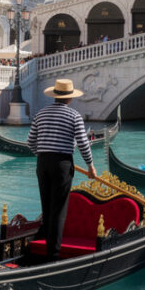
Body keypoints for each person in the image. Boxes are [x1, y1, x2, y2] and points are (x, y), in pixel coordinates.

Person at [26, 78, 97, 262]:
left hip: (42, 163)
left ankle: (48, 249)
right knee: (58, 210)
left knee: (47, 207)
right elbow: (83, 143)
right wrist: (90, 166)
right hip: (62, 164)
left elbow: (30, 142)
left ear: (55, 96)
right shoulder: (74, 116)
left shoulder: (40, 114)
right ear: (70, 98)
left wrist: (43, 154)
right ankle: (54, 256)